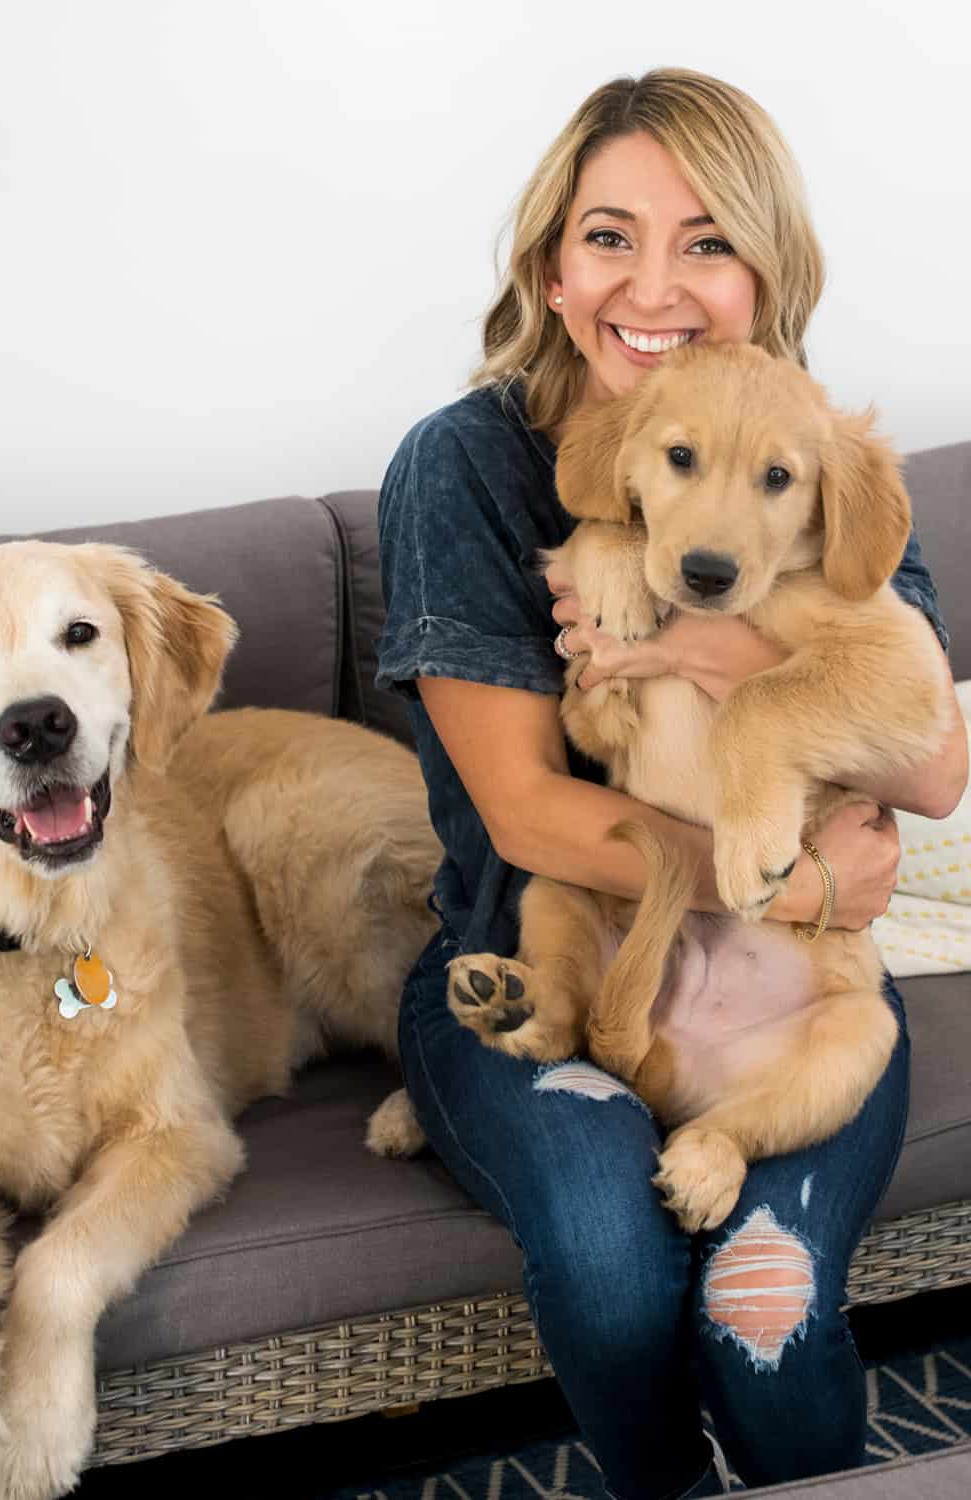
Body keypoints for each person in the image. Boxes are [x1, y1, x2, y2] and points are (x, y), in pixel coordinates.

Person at [375, 68, 968, 1500]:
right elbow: (529, 816)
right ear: (552, 267)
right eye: (610, 236)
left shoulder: (824, 456)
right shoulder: (467, 469)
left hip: (796, 989)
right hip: (555, 926)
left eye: (708, 240)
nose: (658, 281)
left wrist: (722, 652)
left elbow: (938, 763)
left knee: (758, 1311)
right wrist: (815, 874)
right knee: (610, 1261)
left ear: (769, 271)